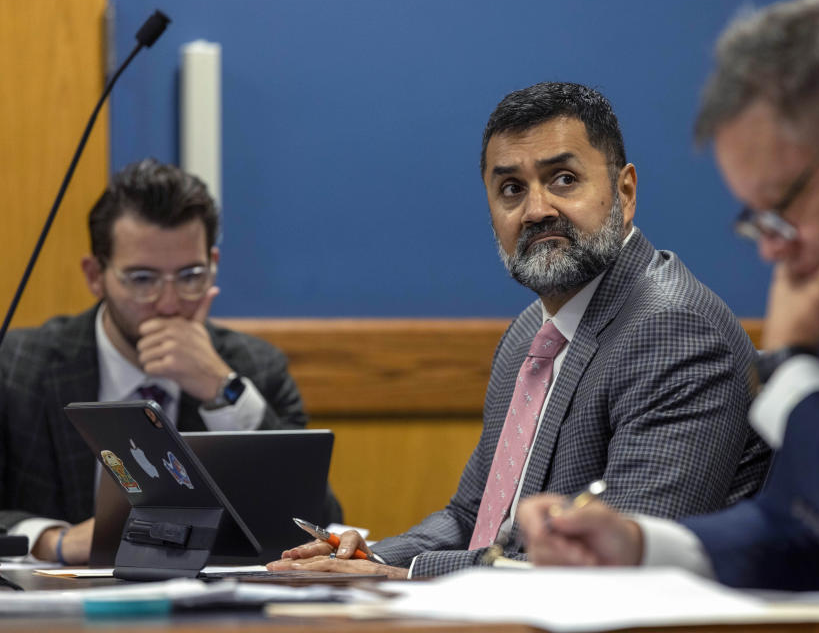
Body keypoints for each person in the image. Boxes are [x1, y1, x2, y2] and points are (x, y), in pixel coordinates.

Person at [517, 0, 819, 624]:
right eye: (757, 220)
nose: (774, 250)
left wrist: (793, 377)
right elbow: (810, 528)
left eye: (782, 205)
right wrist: (641, 547)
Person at [267, 82, 769, 579]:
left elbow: (618, 567)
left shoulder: (674, 331)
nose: (536, 210)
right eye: (512, 189)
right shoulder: (531, 335)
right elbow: (472, 519)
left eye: (564, 179)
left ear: (625, 191)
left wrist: (406, 578)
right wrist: (370, 558)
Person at [0, 159, 340, 564]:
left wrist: (222, 392)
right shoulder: (17, 367)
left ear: (213, 264)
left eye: (190, 275)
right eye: (142, 279)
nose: (169, 303)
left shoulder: (255, 367)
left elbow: (319, 523)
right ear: (95, 275)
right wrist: (52, 540)